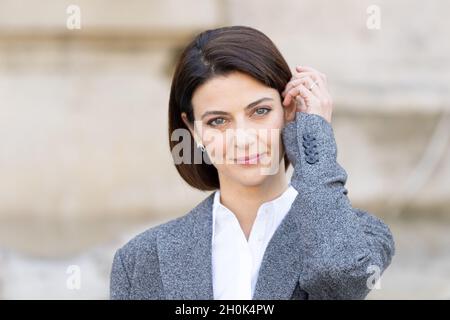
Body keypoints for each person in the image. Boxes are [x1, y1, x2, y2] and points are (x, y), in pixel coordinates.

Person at [110, 25, 395, 300]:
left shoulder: (362, 236)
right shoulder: (139, 261)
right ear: (193, 129)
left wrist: (314, 135)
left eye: (260, 111)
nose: (243, 139)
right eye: (218, 121)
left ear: (289, 109)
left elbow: (340, 277)